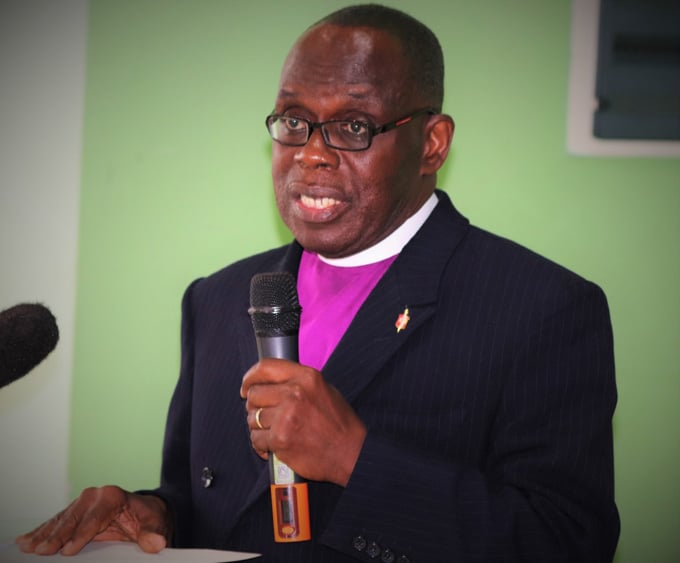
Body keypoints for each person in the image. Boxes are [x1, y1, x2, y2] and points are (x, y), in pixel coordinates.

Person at [16, 4, 619, 562]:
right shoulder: (217, 299)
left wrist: (356, 460)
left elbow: (566, 542)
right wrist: (154, 513)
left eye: (354, 127)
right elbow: (202, 497)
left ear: (431, 144)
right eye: (295, 121)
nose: (311, 154)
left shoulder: (544, 308)